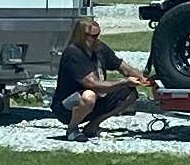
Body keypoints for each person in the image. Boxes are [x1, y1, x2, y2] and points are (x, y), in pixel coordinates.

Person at [54, 13, 146, 144]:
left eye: (98, 35)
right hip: (67, 105)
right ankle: (72, 130)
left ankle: (93, 126)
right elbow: (93, 84)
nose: (97, 39)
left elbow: (123, 67)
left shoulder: (100, 48)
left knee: (130, 93)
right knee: (89, 95)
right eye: (93, 36)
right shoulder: (73, 53)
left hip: (96, 99)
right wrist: (124, 82)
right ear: (82, 36)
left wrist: (143, 78)